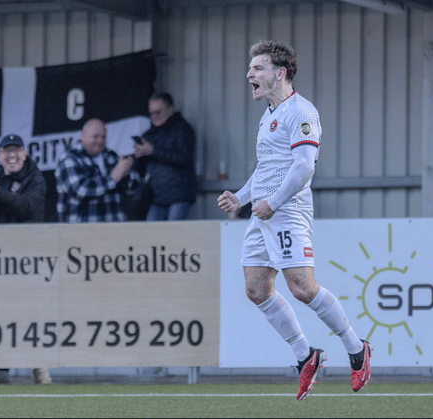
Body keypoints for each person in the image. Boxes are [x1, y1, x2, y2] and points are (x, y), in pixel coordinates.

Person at [217, 40, 372, 401]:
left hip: (287, 211)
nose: (249, 74)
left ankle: (356, 349)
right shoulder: (269, 114)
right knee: (256, 289)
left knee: (302, 287)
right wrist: (240, 198)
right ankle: (306, 356)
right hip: (264, 211)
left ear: (280, 73)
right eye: (250, 68)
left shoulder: (300, 112)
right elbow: (268, 169)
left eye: (257, 68)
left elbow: (304, 167)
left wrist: (273, 202)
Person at [0, 134, 52, 385]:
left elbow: (25, 208)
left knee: (31, 313)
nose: (12, 156)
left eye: (16, 151)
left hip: (28, 257)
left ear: (24, 154)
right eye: (7, 151)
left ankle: (39, 367)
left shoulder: (36, 179)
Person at [55, 118, 138, 223]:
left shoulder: (110, 155)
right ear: (82, 136)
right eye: (95, 136)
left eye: (103, 137)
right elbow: (80, 190)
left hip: (115, 227)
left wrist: (126, 174)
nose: (100, 141)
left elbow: (133, 187)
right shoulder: (70, 158)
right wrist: (113, 177)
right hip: (81, 230)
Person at [132, 92, 196, 221]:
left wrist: (152, 151)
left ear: (170, 109)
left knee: (173, 235)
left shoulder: (183, 129)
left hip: (179, 196)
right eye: (151, 114)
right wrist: (139, 156)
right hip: (155, 197)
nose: (154, 117)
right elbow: (140, 170)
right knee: (152, 235)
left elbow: (184, 158)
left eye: (158, 112)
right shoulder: (148, 134)